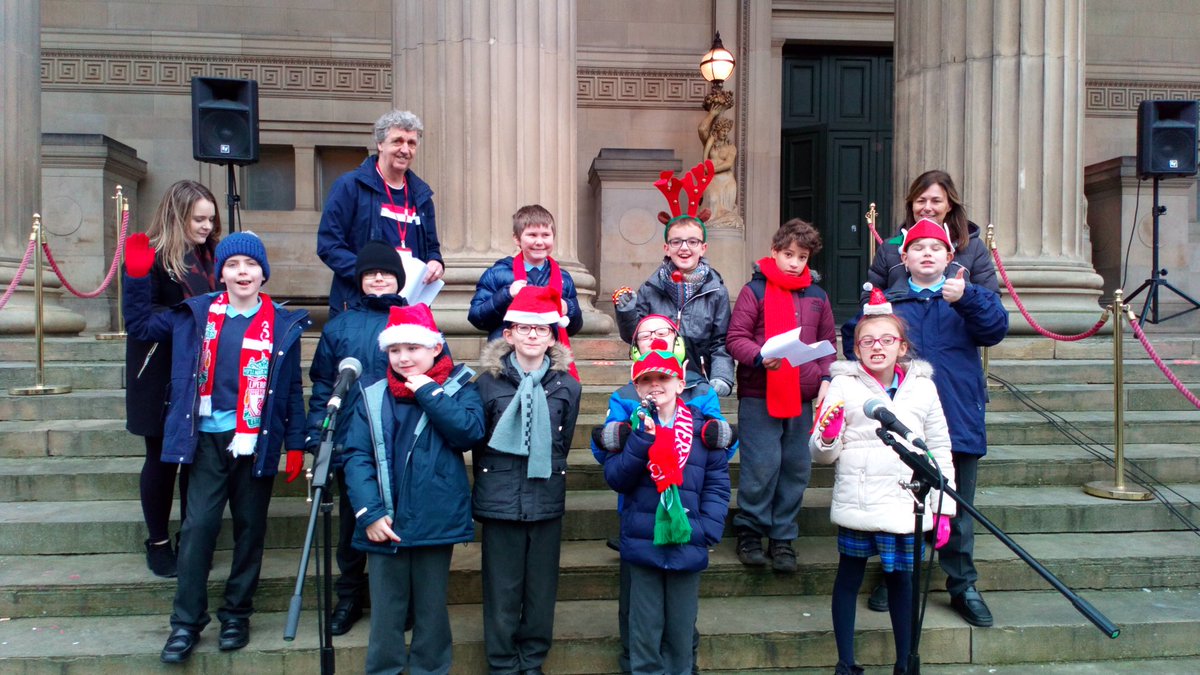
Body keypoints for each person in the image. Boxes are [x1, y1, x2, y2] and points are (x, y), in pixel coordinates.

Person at [123, 231, 310, 664]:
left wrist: (297, 443)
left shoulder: (283, 323)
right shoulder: (196, 313)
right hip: (207, 438)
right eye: (232, 265)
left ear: (263, 272)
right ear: (220, 273)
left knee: (250, 531)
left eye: (250, 265)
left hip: (257, 442)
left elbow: (290, 390)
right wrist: (135, 276)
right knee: (197, 529)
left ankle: (236, 615)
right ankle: (186, 623)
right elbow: (140, 325)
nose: (242, 272)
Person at [842, 218, 1008, 628]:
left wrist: (968, 297)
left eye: (937, 248)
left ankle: (962, 583)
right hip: (906, 422)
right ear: (904, 257)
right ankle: (896, 577)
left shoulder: (964, 295)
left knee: (956, 507)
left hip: (957, 416)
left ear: (950, 257)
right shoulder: (891, 303)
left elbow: (995, 329)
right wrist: (872, 318)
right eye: (918, 248)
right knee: (902, 503)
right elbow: (855, 341)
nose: (927, 254)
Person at [812, 293, 956, 675]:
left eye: (886, 340)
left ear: (902, 347)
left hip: (905, 501)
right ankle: (846, 662)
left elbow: (939, 446)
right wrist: (825, 437)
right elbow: (823, 454)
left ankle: (904, 662)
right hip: (859, 500)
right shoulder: (843, 384)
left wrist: (946, 506)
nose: (877, 347)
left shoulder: (923, 387)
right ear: (856, 348)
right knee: (849, 577)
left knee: (902, 582)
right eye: (867, 341)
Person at [340, 303, 485, 675]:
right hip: (383, 517)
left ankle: (430, 668)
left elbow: (468, 433)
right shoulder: (372, 394)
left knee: (431, 609)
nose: (403, 358)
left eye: (412, 348)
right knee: (386, 610)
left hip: (434, 518)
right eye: (394, 350)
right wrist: (368, 513)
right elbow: (357, 455)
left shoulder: (460, 387)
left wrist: (429, 393)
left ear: (435, 348)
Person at [591, 313, 735, 674]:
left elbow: (717, 484)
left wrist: (708, 530)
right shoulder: (631, 430)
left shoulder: (703, 430)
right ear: (637, 388)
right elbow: (617, 478)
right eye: (647, 380)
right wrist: (641, 440)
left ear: (679, 381)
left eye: (664, 377)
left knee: (681, 634)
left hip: (690, 537)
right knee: (644, 632)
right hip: (643, 541)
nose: (656, 385)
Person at [473, 286, 582, 675]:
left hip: (545, 495)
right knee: (502, 590)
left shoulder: (567, 385)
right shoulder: (487, 383)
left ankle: (532, 659)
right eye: (524, 327)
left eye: (542, 328)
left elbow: (562, 442)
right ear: (509, 334)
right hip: (499, 496)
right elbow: (479, 439)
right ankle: (502, 662)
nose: (533, 335)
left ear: (553, 336)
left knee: (540, 590)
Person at [303, 240, 408, 636]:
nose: (378, 278)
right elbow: (321, 386)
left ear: (397, 278)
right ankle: (349, 596)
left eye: (385, 272)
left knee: (401, 521)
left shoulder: (415, 318)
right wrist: (319, 438)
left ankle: (399, 600)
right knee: (352, 524)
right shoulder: (339, 326)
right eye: (369, 273)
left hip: (399, 440)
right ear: (359, 280)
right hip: (352, 442)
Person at [725, 218, 836, 572]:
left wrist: (825, 377)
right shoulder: (753, 291)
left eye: (802, 257)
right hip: (761, 393)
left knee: (795, 468)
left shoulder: (817, 296)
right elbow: (735, 338)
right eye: (788, 254)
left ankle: (783, 537)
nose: (794, 262)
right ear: (774, 252)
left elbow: (827, 344)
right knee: (762, 466)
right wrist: (759, 356)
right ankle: (751, 532)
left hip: (802, 397)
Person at [124, 180, 220, 578]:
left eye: (211, 219)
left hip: (202, 372)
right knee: (161, 460)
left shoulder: (212, 253)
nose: (206, 226)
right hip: (158, 373)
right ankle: (158, 540)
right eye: (199, 219)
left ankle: (191, 538)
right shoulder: (139, 251)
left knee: (195, 461)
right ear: (177, 215)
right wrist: (194, 313)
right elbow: (139, 322)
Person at [318, 109, 445, 317]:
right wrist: (369, 275)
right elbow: (328, 245)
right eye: (398, 141)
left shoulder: (421, 196)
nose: (405, 149)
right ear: (380, 144)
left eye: (411, 143)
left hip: (408, 306)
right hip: (358, 305)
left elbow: (432, 247)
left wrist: (436, 263)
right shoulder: (350, 186)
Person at [613, 215, 734, 398]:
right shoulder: (650, 288)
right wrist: (627, 312)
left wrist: (721, 376)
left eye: (693, 242)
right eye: (676, 242)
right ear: (667, 248)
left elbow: (721, 341)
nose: (684, 248)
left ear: (703, 248)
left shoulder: (716, 292)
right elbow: (634, 337)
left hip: (698, 381)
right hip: (655, 377)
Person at [468, 204, 583, 360]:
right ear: (517, 239)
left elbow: (575, 327)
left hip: (551, 359)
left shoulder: (564, 278)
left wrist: (568, 308)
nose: (539, 241)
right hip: (506, 359)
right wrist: (506, 295)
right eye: (532, 235)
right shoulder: (497, 274)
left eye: (545, 235)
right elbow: (477, 317)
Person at [865, 169, 998, 298]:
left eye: (936, 201)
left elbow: (991, 299)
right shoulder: (890, 247)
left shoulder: (973, 246)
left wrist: (964, 297)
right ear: (912, 205)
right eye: (921, 201)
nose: (927, 208)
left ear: (949, 205)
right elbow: (870, 296)